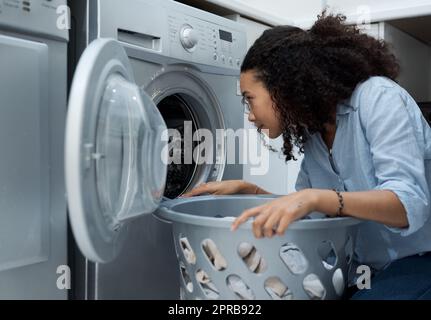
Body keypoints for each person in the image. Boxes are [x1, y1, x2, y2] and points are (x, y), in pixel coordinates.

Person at [181, 12, 431, 300]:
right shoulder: (315, 134)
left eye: (249, 99)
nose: (249, 115)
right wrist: (255, 192)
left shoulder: (379, 98)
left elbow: (408, 204)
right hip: (361, 270)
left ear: (283, 85)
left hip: (417, 261)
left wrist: (315, 197)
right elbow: (310, 217)